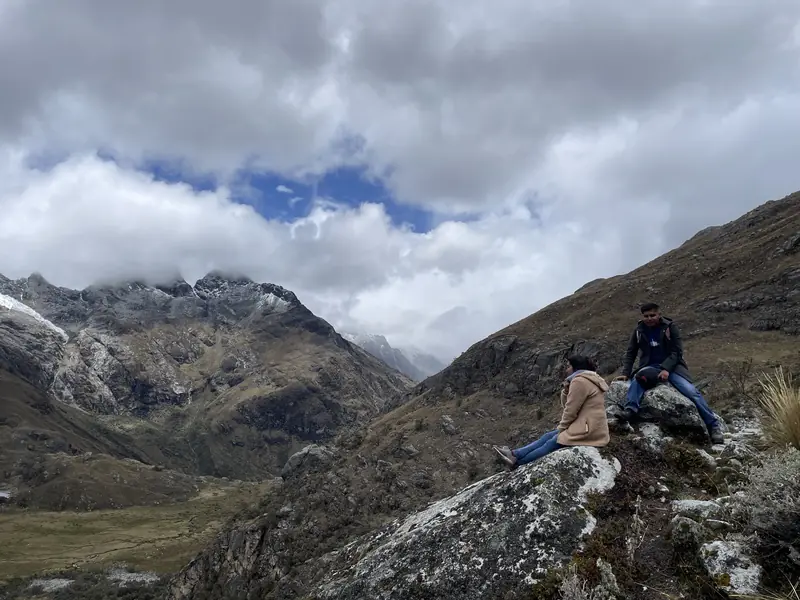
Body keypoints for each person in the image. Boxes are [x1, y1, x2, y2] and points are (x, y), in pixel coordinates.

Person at [614, 302, 724, 444]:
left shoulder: (670, 327)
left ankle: (713, 426)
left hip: (673, 368)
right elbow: (631, 352)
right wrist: (626, 373)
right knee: (638, 380)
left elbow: (676, 352)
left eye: (652, 315)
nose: (649, 318)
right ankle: (629, 410)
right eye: (646, 316)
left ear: (659, 314)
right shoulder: (639, 330)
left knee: (692, 392)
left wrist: (666, 368)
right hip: (650, 367)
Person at [494, 354, 610, 469]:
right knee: (547, 436)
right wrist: (566, 391)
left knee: (553, 441)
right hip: (592, 426)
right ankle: (514, 454)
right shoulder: (588, 379)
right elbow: (567, 404)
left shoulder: (580, 381)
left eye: (569, 366)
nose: (566, 369)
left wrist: (562, 428)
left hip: (589, 430)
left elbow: (570, 410)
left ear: (576, 367)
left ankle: (518, 464)